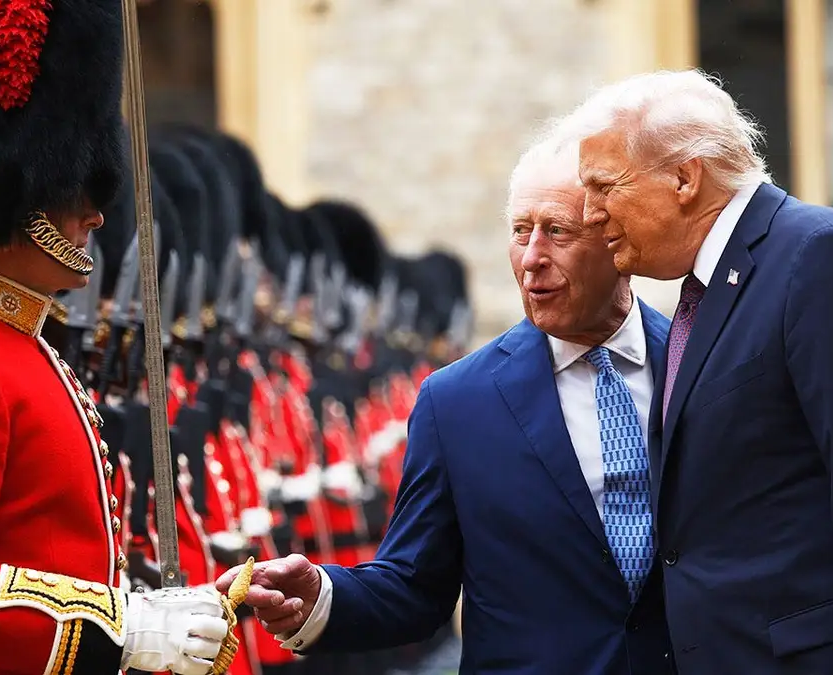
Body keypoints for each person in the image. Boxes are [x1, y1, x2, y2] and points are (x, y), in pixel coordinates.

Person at [551, 69, 833, 674]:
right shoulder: (716, 288)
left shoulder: (821, 256)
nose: (589, 215)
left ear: (684, 178)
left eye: (604, 187)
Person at [218, 138, 676, 673]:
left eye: (557, 231)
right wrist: (319, 595)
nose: (531, 259)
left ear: (619, 240)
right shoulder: (457, 400)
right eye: (520, 232)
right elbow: (415, 584)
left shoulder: (706, 363)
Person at [0, 2, 234, 674]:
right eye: (68, 185)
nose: (94, 212)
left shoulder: (23, 348)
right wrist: (121, 628)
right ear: (9, 190)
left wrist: (150, 613)